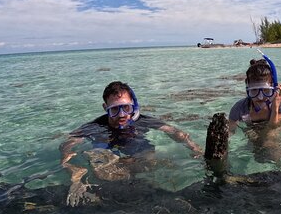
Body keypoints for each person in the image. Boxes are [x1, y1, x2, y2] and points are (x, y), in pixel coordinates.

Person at [60, 81, 203, 206]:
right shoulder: (95, 126)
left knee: (149, 162)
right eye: (115, 109)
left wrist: (194, 148)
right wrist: (74, 173)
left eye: (126, 108)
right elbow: (67, 144)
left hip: (135, 145)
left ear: (133, 106)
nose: (122, 115)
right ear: (105, 108)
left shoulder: (142, 120)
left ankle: (136, 182)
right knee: (101, 170)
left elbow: (174, 132)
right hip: (106, 145)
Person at [228, 51, 281, 162]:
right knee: (253, 156)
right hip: (252, 134)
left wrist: (275, 107)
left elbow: (274, 127)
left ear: (274, 88)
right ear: (247, 88)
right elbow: (230, 131)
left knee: (273, 152)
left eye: (266, 91)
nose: (260, 97)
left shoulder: (280, 104)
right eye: (254, 91)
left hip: (272, 134)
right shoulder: (240, 108)